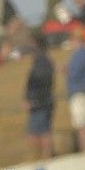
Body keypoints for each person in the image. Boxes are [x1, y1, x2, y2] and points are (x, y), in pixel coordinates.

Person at [24, 31, 55, 160]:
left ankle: (46, 158)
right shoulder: (41, 60)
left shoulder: (42, 61)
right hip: (40, 103)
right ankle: (44, 157)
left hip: (40, 104)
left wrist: (33, 100)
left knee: (39, 133)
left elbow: (41, 83)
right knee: (37, 133)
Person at [65, 28, 85, 153]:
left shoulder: (79, 54)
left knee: (81, 125)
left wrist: (66, 70)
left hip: (79, 92)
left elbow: (74, 73)